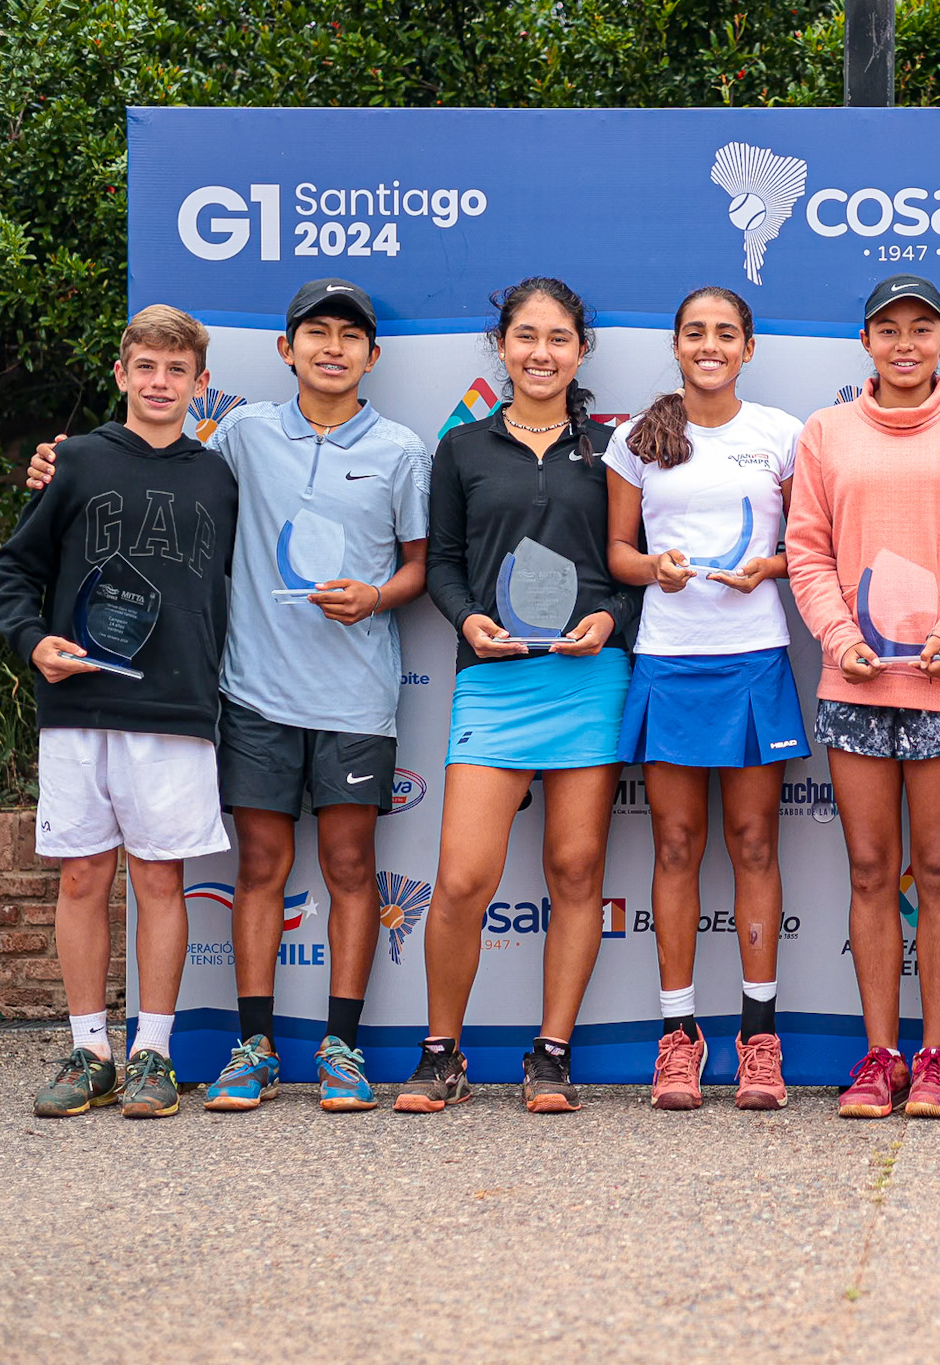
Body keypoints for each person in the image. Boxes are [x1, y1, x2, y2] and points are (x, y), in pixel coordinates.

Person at [30, 278, 430, 1114]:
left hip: (358, 699)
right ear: (286, 350)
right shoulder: (241, 435)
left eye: (348, 337)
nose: (331, 347)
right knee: (260, 868)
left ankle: (342, 1051)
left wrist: (378, 597)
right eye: (314, 333)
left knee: (353, 867)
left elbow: (420, 567)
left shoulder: (400, 447)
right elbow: (150, 468)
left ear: (371, 355)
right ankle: (253, 1045)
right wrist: (56, 460)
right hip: (251, 694)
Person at [396, 277, 643, 1114]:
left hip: (589, 678)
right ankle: (441, 1054)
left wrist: (610, 619)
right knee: (463, 878)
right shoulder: (461, 450)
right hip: (494, 681)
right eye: (527, 336)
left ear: (581, 350)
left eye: (560, 338)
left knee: (576, 870)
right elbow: (443, 566)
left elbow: (636, 570)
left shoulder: (616, 449)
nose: (542, 353)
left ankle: (551, 1054)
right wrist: (468, 624)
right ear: (501, 347)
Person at [0, 305, 238, 1120]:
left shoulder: (219, 476)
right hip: (79, 702)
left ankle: (154, 1054)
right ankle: (89, 1046)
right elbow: (15, 570)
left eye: (178, 371)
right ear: (122, 373)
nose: (161, 383)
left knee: (160, 878)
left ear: (201, 384)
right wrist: (33, 643)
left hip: (173, 706)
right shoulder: (75, 462)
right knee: (81, 875)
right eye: (147, 368)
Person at [786, 274, 940, 1121]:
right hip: (855, 680)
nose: (906, 343)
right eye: (889, 329)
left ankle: (937, 1057)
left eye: (923, 328)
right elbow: (806, 551)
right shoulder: (826, 432)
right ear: (867, 344)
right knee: (873, 868)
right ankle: (880, 1056)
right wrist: (837, 634)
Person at [605, 286, 808, 1111]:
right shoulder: (637, 439)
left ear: (748, 347)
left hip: (754, 658)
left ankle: (759, 1036)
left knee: (755, 846)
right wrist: (656, 568)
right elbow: (619, 553)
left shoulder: (782, 436)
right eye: (696, 333)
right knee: (677, 848)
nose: (711, 345)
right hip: (669, 659)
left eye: (727, 333)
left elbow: (813, 546)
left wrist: (776, 563)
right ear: (678, 345)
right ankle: (677, 1036)